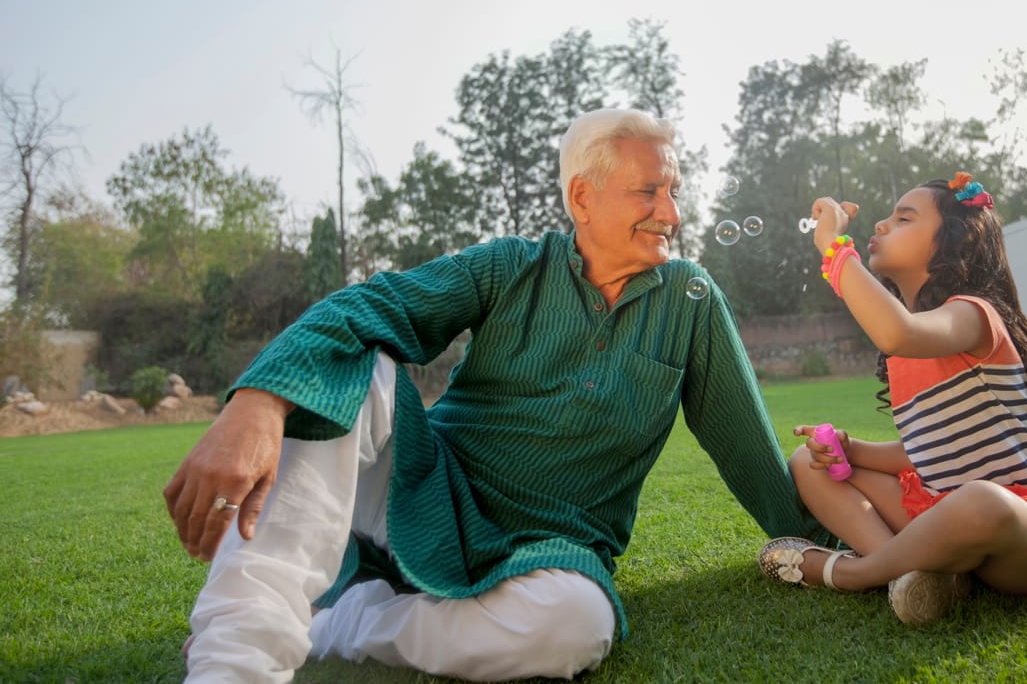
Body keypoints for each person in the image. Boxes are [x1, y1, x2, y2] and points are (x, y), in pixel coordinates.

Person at [164, 108, 826, 682]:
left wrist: (843, 548)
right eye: (648, 192)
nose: (672, 214)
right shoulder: (511, 265)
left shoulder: (692, 301)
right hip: (424, 492)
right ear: (583, 197)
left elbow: (750, 451)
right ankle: (236, 660)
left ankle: (342, 623)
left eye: (674, 191)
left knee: (579, 625)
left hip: (546, 546)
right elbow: (373, 305)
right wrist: (257, 401)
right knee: (359, 368)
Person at [758, 173, 1027, 625]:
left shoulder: (972, 315)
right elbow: (931, 455)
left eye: (903, 218)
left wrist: (834, 248)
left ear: (953, 243)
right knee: (808, 462)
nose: (880, 225)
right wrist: (849, 449)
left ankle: (856, 573)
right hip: (945, 516)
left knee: (983, 500)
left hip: (1026, 539)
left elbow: (895, 329)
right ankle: (916, 573)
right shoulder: (907, 347)